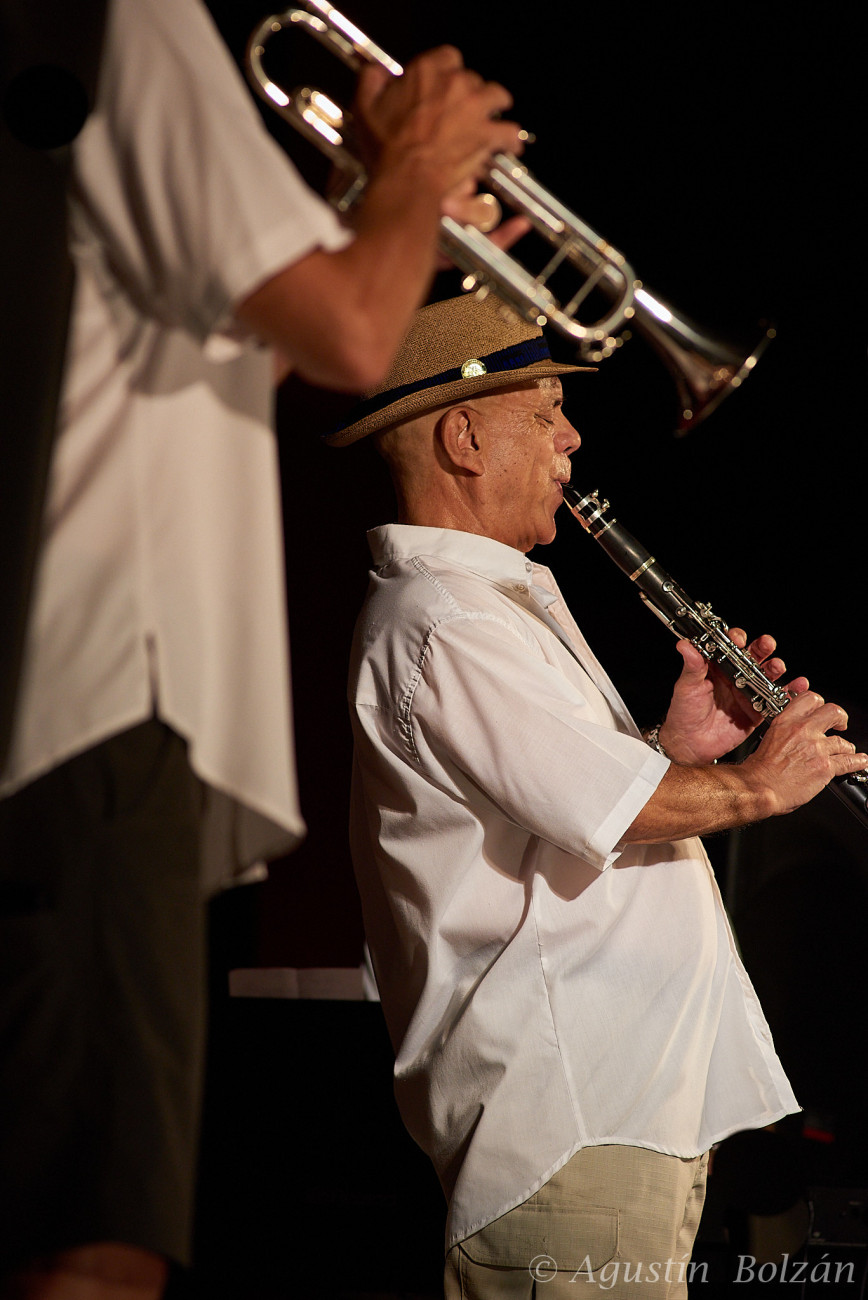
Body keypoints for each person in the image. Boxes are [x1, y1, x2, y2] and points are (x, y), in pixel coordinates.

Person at [0, 1, 526, 1295]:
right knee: (97, 1247)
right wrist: (411, 166)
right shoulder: (133, 22)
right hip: (111, 695)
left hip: (67, 696)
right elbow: (350, 334)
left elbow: (221, 358)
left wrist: (382, 222)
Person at [330, 293, 868, 1298]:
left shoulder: (484, 606)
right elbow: (606, 810)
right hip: (569, 1125)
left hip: (612, 1121)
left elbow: (560, 816)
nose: (570, 438)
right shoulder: (446, 619)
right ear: (462, 437)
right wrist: (758, 783)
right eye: (545, 412)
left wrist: (675, 751)